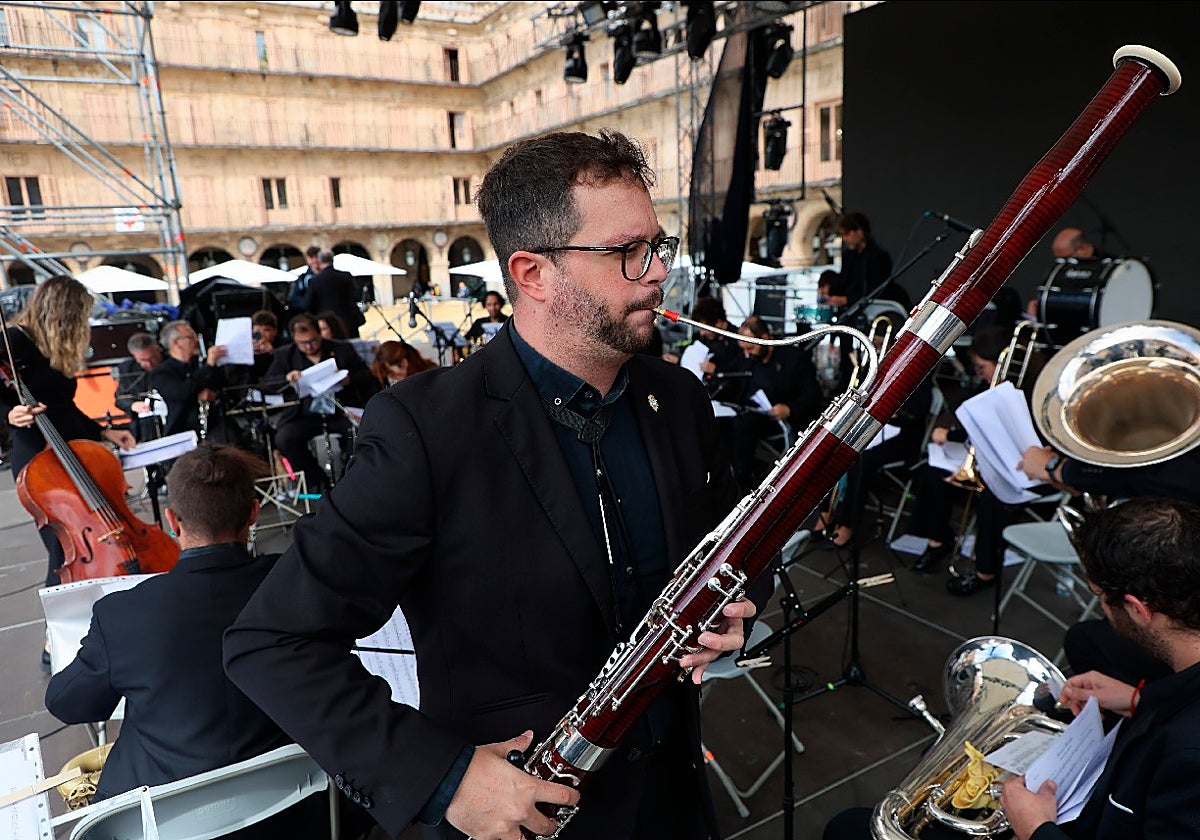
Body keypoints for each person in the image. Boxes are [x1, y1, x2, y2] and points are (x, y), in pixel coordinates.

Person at [225, 129, 756, 840]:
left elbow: (731, 552)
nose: (657, 272)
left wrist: (737, 615)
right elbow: (272, 640)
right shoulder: (424, 428)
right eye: (627, 252)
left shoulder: (678, 397)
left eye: (658, 246)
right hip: (521, 817)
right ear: (532, 273)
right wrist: (443, 777)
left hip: (676, 801)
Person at [43, 444, 290, 800]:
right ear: (253, 513)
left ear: (172, 521)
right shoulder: (292, 582)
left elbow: (66, 703)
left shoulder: (121, 614)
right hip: (296, 806)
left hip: (164, 815)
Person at [999, 496, 1200, 840]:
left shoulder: (1188, 757)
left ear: (1137, 610)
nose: (1103, 610)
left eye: (1101, 597)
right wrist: (1138, 700)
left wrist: (1036, 830)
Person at [1, 275, 136, 591]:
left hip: (75, 447)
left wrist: (104, 432)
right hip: (40, 456)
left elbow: (63, 405)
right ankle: (60, 617)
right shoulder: (12, 342)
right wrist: (8, 413)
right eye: (80, 316)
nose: (84, 324)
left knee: (98, 530)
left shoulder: (50, 347)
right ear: (62, 314)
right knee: (64, 545)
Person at [900, 326, 1047, 595]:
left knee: (994, 496)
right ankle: (938, 540)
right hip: (990, 458)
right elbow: (972, 421)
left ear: (1000, 362)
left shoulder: (1034, 390)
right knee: (934, 471)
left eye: (982, 367)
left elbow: (1016, 437)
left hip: (1026, 467)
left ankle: (985, 570)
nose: (980, 374)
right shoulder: (990, 383)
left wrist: (954, 435)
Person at [263, 313, 376, 491]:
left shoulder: (341, 349)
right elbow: (268, 383)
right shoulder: (285, 354)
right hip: (304, 414)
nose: (309, 346)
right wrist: (287, 379)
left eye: (313, 341)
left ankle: (349, 480)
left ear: (320, 334)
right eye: (303, 343)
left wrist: (348, 379)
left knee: (357, 433)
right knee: (285, 438)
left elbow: (366, 375)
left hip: (340, 410)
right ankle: (317, 482)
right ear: (295, 339)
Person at [728, 315, 824, 491]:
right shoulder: (747, 359)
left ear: (765, 338)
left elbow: (812, 394)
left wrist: (789, 409)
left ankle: (744, 486)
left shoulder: (793, 358)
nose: (747, 353)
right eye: (744, 349)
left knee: (742, 427)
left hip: (784, 417)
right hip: (752, 412)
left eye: (751, 348)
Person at [151, 319, 228, 439]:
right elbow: (183, 392)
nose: (196, 340)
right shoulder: (162, 372)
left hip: (215, 424)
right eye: (191, 337)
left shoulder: (199, 364)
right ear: (176, 343)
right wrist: (209, 366)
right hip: (183, 430)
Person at [112, 331, 165, 442]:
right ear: (134, 356)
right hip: (144, 425)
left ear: (158, 349)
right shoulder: (127, 369)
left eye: (153, 358)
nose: (149, 364)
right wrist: (133, 405)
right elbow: (120, 399)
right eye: (143, 360)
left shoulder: (169, 362)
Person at [307, 250, 365, 338]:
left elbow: (309, 304)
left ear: (319, 261)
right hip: (348, 322)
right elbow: (356, 296)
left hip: (327, 325)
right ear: (332, 260)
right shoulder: (346, 276)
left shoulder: (315, 281)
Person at [370, 339, 435, 389]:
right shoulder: (382, 382)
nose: (392, 378)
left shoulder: (430, 375)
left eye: (393, 373)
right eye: (388, 373)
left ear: (405, 363)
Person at [287, 245, 320, 313]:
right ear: (307, 259)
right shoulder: (302, 278)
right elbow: (293, 298)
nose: (314, 260)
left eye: (316, 257)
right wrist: (307, 303)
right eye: (311, 257)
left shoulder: (328, 274)